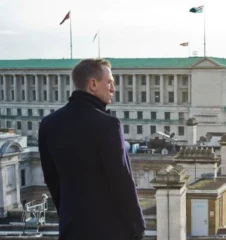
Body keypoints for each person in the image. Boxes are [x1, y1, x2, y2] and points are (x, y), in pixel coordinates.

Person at [38, 59, 146, 240]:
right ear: (93, 84)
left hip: (71, 228)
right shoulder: (108, 125)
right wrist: (137, 224)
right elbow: (121, 179)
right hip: (111, 229)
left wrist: (67, 216)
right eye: (109, 82)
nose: (113, 89)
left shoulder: (48, 124)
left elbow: (52, 179)